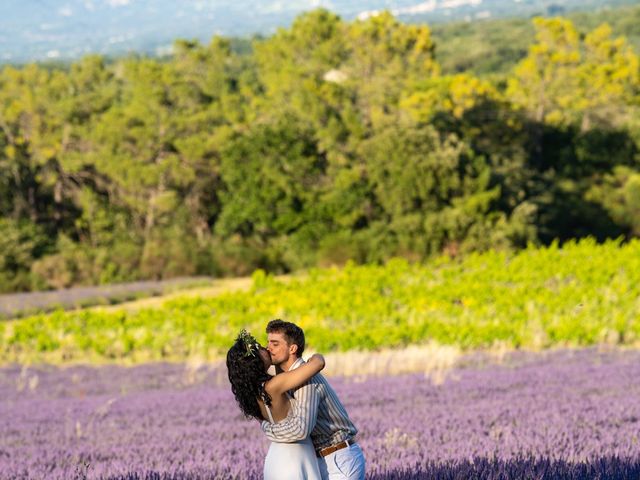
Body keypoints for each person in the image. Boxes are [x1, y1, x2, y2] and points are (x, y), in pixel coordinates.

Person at [262, 320, 366, 480]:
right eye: (268, 342)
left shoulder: (305, 378)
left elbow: (301, 429)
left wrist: (268, 428)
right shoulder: (290, 375)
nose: (269, 348)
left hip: (339, 458)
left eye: (275, 344)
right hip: (321, 459)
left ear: (292, 348)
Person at [226, 329, 325, 480]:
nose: (266, 348)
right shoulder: (275, 385)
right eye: (260, 348)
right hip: (294, 457)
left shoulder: (253, 395)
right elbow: (318, 364)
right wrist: (316, 356)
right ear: (255, 360)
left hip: (276, 458)